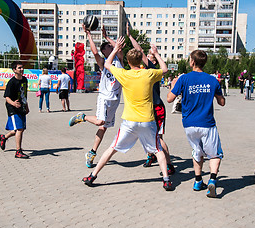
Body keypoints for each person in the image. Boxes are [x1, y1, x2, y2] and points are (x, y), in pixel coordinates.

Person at [81, 37, 173, 191]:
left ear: (128, 63)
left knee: (112, 148)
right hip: (147, 120)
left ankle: (92, 176)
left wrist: (115, 49)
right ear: (140, 62)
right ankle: (166, 180)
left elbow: (108, 64)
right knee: (157, 150)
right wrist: (156, 54)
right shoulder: (148, 74)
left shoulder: (123, 74)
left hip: (129, 121)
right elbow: (164, 69)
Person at [167, 50, 225, 197]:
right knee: (215, 155)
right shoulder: (212, 80)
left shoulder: (183, 79)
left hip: (189, 124)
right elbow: (222, 102)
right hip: (207, 123)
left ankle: (198, 181)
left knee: (197, 152)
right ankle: (212, 180)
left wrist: (172, 85)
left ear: (192, 62)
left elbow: (169, 99)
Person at [68, 24, 123, 168]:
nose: (109, 48)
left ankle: (92, 152)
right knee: (99, 122)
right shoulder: (104, 63)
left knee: (103, 127)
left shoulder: (120, 60)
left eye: (110, 47)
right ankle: (83, 117)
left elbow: (119, 48)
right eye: (106, 48)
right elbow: (94, 52)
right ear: (105, 52)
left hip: (115, 100)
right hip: (104, 98)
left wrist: (106, 38)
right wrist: (89, 35)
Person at [126, 22, 175, 174]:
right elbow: (139, 51)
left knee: (158, 138)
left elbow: (139, 50)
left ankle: (169, 165)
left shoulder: (152, 69)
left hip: (157, 107)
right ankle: (151, 156)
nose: (145, 56)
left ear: (153, 60)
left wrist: (130, 37)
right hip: (148, 108)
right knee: (147, 135)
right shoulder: (146, 70)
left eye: (149, 55)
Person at [0, 61, 30, 159]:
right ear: (14, 70)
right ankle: (18, 151)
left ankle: (4, 137)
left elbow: (24, 95)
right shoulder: (11, 83)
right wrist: (14, 104)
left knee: (19, 129)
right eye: (19, 68)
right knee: (19, 129)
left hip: (21, 107)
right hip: (12, 108)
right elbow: (7, 98)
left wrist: (27, 106)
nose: (22, 69)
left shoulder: (24, 80)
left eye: (22, 67)